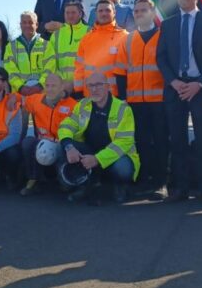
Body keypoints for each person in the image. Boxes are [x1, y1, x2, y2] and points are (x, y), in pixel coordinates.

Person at [156, 0, 202, 205]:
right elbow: (161, 57)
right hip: (176, 89)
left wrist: (199, 83)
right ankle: (180, 188)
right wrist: (173, 81)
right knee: (178, 140)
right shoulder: (168, 24)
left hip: (200, 89)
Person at [113, 0, 169, 196]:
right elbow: (120, 72)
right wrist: (123, 100)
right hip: (135, 103)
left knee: (161, 141)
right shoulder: (127, 40)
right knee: (141, 142)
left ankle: (161, 183)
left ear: (152, 13)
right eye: (136, 11)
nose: (139, 14)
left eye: (143, 10)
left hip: (160, 101)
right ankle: (144, 179)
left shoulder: (164, 36)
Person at [58, 72, 140, 204]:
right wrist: (69, 146)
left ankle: (120, 186)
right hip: (90, 151)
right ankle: (83, 185)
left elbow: (124, 142)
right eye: (91, 86)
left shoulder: (123, 108)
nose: (94, 89)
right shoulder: (83, 105)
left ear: (108, 87)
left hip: (115, 156)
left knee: (123, 169)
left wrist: (97, 159)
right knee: (62, 146)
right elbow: (66, 125)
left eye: (99, 85)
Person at [20, 73, 77, 196]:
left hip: (62, 144)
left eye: (54, 86)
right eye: (47, 86)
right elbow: (21, 101)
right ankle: (33, 179)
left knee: (65, 148)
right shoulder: (36, 100)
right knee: (27, 143)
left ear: (62, 87)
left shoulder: (72, 105)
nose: (50, 89)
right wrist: (14, 98)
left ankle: (64, 181)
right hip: (43, 142)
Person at [73, 0, 128, 97]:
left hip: (115, 96)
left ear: (114, 13)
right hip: (89, 95)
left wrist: (123, 95)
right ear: (96, 13)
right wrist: (78, 91)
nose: (104, 14)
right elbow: (79, 68)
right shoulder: (86, 39)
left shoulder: (124, 36)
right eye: (100, 11)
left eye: (107, 10)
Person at [43, 1, 88, 96]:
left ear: (80, 14)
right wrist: (61, 82)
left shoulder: (89, 32)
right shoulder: (56, 34)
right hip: (62, 87)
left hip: (84, 85)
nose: (70, 16)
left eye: (73, 13)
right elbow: (51, 61)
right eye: (67, 13)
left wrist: (77, 81)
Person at [4, 11, 46, 96]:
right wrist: (20, 87)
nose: (27, 25)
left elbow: (50, 69)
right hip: (19, 95)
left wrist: (40, 85)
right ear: (20, 25)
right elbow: (10, 71)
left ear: (36, 25)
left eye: (31, 22)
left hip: (42, 94)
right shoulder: (11, 47)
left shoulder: (47, 45)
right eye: (24, 22)